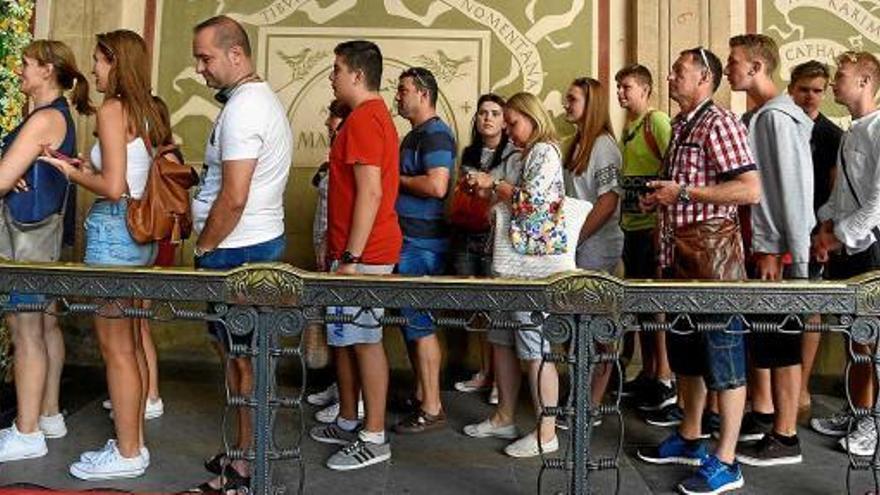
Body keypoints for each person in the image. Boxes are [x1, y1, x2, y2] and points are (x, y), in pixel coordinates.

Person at [636, 47, 760, 495]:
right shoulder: (684, 124)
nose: (670, 77)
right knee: (686, 353)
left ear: (704, 78)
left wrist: (683, 193)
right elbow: (684, 192)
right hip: (680, 261)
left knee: (724, 358)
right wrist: (662, 200)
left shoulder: (719, 122)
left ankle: (727, 460)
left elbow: (749, 190)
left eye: (678, 71)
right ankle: (690, 437)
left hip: (713, 263)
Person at [42, 30, 162, 480]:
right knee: (129, 345)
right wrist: (80, 166)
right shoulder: (145, 109)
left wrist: (72, 177)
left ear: (115, 61)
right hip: (137, 233)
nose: (92, 68)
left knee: (116, 350)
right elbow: (124, 173)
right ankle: (133, 443)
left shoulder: (113, 110)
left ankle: (128, 452)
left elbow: (113, 188)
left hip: (114, 232)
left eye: (97, 59)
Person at [188, 15, 293, 492]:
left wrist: (205, 245)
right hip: (248, 244)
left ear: (236, 54)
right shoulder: (251, 102)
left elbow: (234, 195)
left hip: (236, 250)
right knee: (240, 360)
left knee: (243, 362)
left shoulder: (246, 108)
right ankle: (244, 451)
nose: (200, 68)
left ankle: (247, 465)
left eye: (205, 58)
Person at [309, 40, 401, 471]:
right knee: (348, 340)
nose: (332, 76)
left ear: (357, 76)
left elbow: (371, 192)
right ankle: (349, 419)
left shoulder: (365, 119)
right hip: (355, 251)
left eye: (337, 69)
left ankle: (374, 436)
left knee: (365, 342)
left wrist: (350, 255)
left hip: (364, 254)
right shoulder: (369, 117)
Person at [0, 39, 93, 463]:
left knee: (27, 331)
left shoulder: (43, 119)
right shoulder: (57, 116)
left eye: (25, 64)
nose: (19, 70)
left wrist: (8, 170)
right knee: (47, 324)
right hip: (44, 232)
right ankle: (50, 414)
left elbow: (2, 180)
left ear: (47, 70)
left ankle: (27, 430)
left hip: (27, 235)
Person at [724, 33, 814, 467]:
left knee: (781, 344)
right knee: (768, 340)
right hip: (764, 249)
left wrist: (783, 252)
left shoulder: (777, 118)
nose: (729, 68)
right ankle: (768, 419)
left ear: (756, 67)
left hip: (774, 254)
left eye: (734, 62)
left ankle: (786, 435)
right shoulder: (762, 116)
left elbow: (791, 192)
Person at [463, 92, 562, 458]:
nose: (508, 129)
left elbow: (530, 204)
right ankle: (504, 415)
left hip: (532, 266)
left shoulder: (545, 152)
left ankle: (546, 431)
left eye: (513, 122)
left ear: (533, 119)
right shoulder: (522, 154)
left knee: (535, 346)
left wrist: (494, 186)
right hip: (511, 263)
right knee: (502, 338)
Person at [811, 51, 880, 457]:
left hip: (872, 249)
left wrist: (838, 237)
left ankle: (873, 423)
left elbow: (877, 201)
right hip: (848, 248)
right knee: (856, 338)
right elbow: (841, 195)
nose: (834, 83)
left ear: (866, 82)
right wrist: (825, 224)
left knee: (876, 342)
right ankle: (858, 410)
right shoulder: (852, 130)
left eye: (841, 76)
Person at [102, 96, 178, 423]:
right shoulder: (162, 151)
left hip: (150, 234)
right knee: (137, 321)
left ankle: (149, 395)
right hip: (154, 236)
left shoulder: (162, 154)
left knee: (140, 322)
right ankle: (140, 392)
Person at [392, 66, 455, 434]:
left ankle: (432, 408)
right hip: (409, 241)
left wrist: (391, 177)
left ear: (423, 94)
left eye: (403, 90)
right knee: (411, 323)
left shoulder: (435, 135)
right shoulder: (415, 135)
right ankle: (421, 394)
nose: (398, 97)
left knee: (420, 323)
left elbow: (437, 186)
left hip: (422, 244)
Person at [613, 64, 676, 415]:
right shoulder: (629, 127)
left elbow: (672, 171)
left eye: (627, 87)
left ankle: (665, 379)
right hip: (631, 225)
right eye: (619, 87)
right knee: (640, 305)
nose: (621, 93)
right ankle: (650, 371)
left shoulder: (657, 122)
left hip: (651, 226)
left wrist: (660, 220)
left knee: (656, 304)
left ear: (646, 90)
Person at [450, 93, 518, 405]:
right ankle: (484, 370)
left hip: (497, 239)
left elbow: (508, 196)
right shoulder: (469, 152)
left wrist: (487, 185)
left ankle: (499, 379)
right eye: (481, 113)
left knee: (497, 309)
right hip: (466, 233)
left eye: (494, 113)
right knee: (475, 307)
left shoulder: (514, 155)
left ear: (505, 121)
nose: (487, 118)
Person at [561, 76, 624, 408]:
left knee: (597, 328)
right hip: (580, 244)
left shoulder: (604, 146)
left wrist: (576, 236)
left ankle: (592, 403)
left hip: (598, 245)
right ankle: (579, 399)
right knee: (577, 327)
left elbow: (608, 201)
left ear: (591, 104)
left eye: (572, 99)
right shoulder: (576, 143)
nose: (566, 105)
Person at [785, 60, 843, 414]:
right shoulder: (780, 124)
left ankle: (802, 388)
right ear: (791, 88)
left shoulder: (832, 135)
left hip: (813, 235)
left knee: (810, 314)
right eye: (804, 89)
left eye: (818, 91)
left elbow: (834, 192)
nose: (810, 97)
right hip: (779, 234)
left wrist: (822, 235)